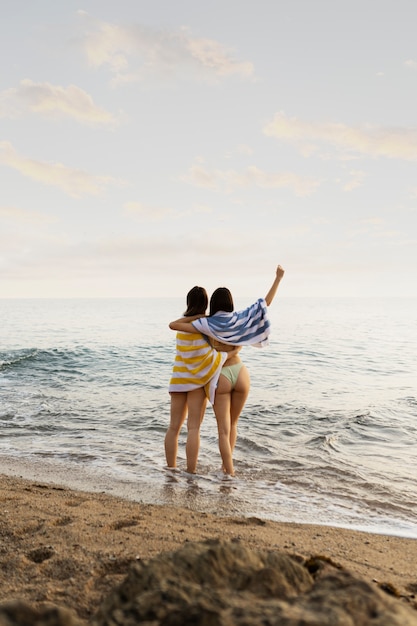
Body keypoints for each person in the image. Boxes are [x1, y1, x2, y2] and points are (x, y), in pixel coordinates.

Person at [169, 265, 285, 476]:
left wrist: (195, 317)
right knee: (233, 425)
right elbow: (265, 304)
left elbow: (175, 325)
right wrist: (278, 279)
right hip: (241, 373)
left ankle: (227, 474)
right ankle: (226, 469)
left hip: (221, 376)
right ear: (230, 303)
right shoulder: (238, 318)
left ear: (212, 305)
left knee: (222, 430)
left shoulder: (206, 323)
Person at [165, 286, 239, 474]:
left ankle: (171, 470)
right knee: (193, 429)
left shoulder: (182, 328)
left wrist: (193, 315)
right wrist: (234, 352)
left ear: (188, 303)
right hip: (196, 383)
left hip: (178, 380)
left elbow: (174, 323)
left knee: (173, 428)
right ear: (205, 304)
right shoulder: (203, 328)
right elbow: (213, 355)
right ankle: (191, 472)